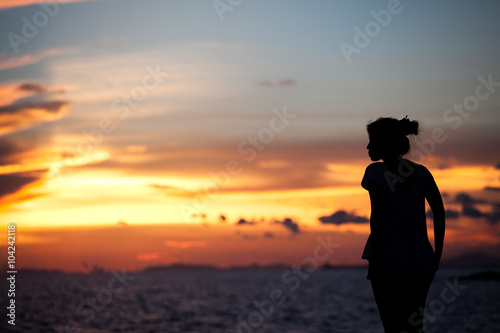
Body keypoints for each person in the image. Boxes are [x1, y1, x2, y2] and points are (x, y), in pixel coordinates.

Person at [361, 116, 445, 333]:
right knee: (415, 327)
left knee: (392, 327)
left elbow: (377, 218)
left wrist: (377, 258)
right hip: (421, 260)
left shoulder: (375, 172)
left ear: (383, 143)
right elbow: (439, 212)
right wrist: (436, 255)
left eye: (371, 141)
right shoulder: (423, 173)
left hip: (387, 260)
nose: (368, 146)